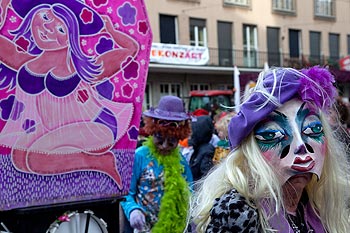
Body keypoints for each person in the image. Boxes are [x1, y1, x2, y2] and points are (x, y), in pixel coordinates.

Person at [189, 66, 350, 232]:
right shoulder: (236, 214)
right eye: (273, 134)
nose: (301, 146)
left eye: (313, 129)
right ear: (252, 151)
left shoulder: (321, 206)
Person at [0, 0, 139, 188]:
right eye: (46, 17)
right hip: (55, 129)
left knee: (35, 159)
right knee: (18, 158)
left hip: (96, 127)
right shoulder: (27, 63)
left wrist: (111, 31)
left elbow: (131, 49)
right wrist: (3, 11)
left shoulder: (85, 69)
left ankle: (100, 161)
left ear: (72, 37)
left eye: (61, 29)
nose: (48, 28)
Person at [121, 95, 193, 233]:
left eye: (172, 140)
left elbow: (190, 193)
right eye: (160, 138)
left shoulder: (181, 161)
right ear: (152, 131)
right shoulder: (140, 156)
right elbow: (126, 194)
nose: (165, 146)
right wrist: (133, 210)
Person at [189, 115, 216, 182]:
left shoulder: (207, 151)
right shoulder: (198, 149)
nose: (190, 134)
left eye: (192, 131)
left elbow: (206, 177)